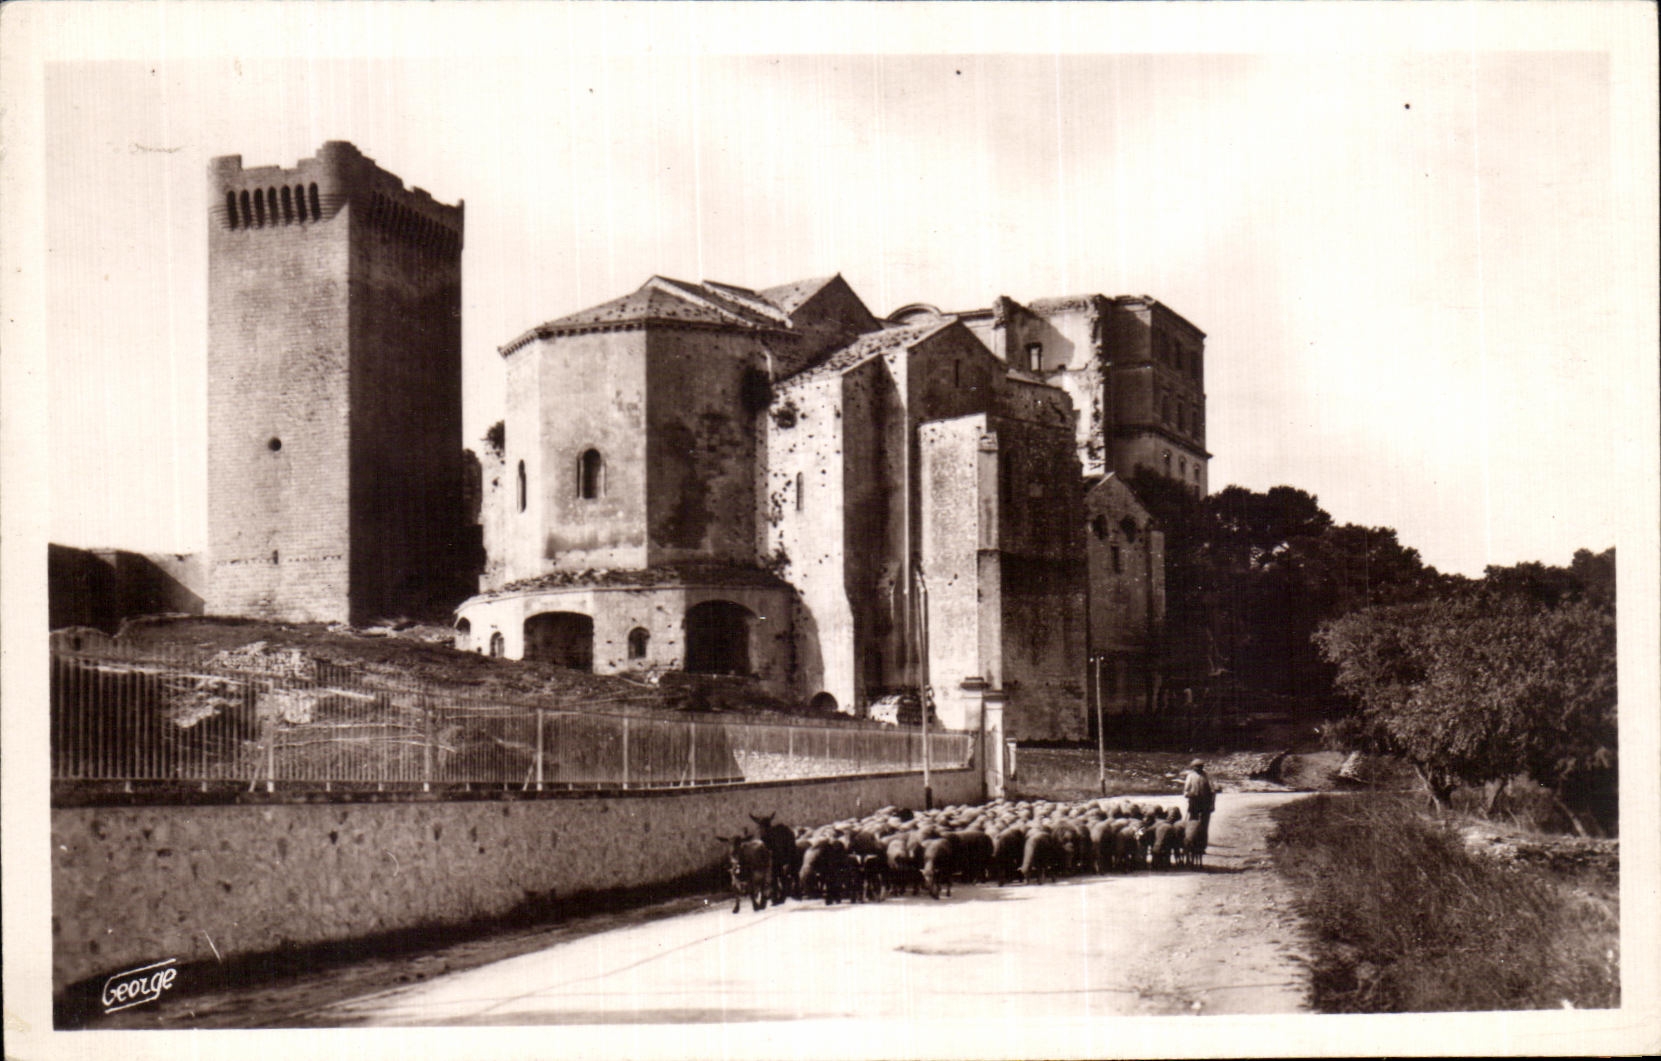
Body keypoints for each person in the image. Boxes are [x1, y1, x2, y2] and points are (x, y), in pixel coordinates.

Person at [1181, 759, 1216, 824]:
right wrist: (1188, 794)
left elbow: (1213, 791)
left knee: (1204, 822)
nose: (1198, 768)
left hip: (1205, 803)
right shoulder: (1190, 776)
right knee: (1193, 821)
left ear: (1202, 767)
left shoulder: (1207, 776)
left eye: (1200, 766)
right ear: (1193, 767)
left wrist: (1212, 804)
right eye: (1196, 766)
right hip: (1194, 802)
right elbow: (1185, 791)